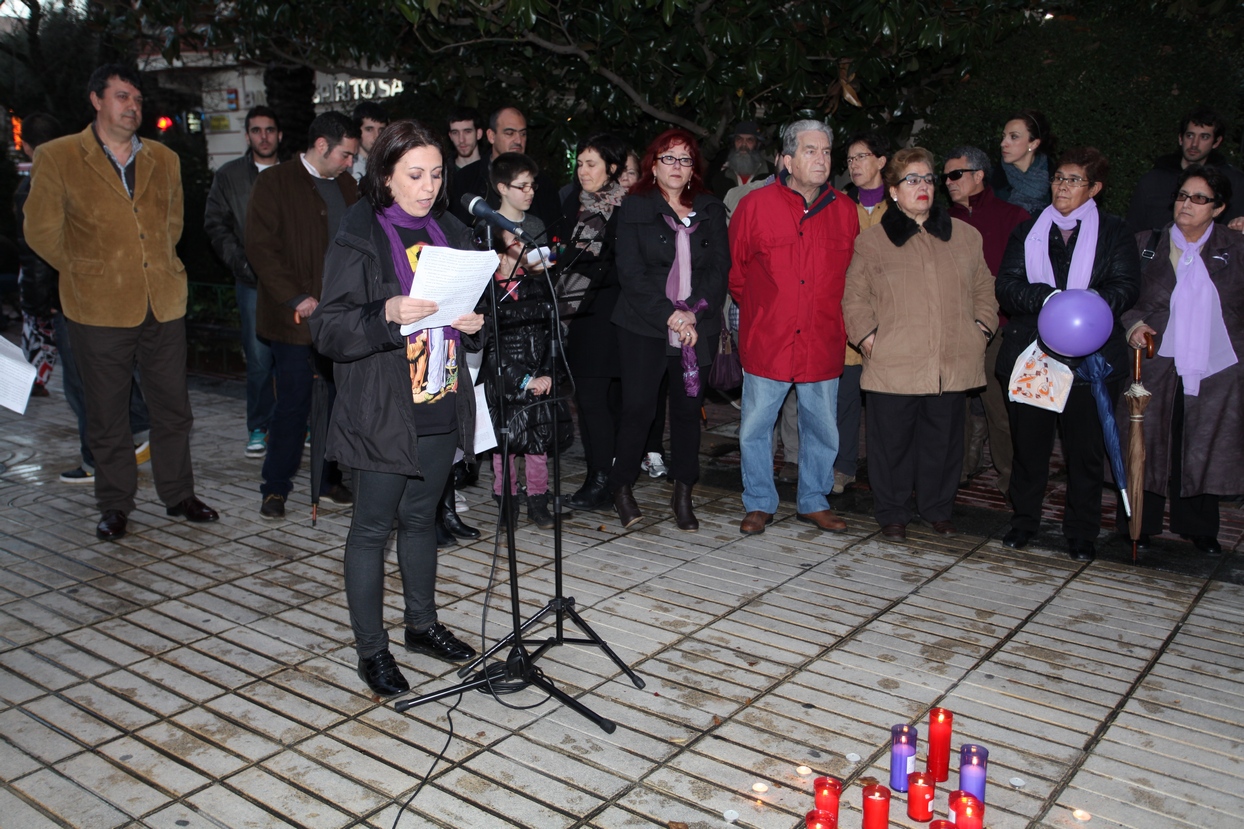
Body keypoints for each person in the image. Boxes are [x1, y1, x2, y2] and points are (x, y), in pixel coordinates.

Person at [310, 119, 485, 697]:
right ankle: (372, 651)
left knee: (420, 520)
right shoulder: (358, 233)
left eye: (436, 174)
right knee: (370, 531)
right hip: (383, 406)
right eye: (415, 174)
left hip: (438, 398)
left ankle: (421, 626)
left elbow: (468, 309)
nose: (428, 185)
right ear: (385, 175)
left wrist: (475, 324)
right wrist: (385, 315)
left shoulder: (451, 230)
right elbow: (330, 331)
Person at [23, 63, 218, 540]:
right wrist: (88, 267)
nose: (133, 107)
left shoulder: (163, 159)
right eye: (122, 97)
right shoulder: (59, 156)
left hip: (163, 302)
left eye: (137, 100)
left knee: (173, 409)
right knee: (107, 412)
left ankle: (178, 494)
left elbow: (172, 227)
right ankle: (115, 504)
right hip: (97, 305)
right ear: (96, 99)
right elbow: (40, 229)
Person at [843, 148, 998, 540]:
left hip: (950, 361)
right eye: (912, 180)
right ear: (894, 191)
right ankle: (893, 513)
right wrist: (869, 339)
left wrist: (980, 330)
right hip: (894, 363)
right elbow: (854, 299)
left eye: (928, 178)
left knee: (943, 444)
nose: (923, 186)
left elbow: (985, 289)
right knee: (891, 445)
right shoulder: (873, 242)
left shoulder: (965, 236)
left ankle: (937, 508)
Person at [995, 147, 1141, 561]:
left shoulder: (1114, 231)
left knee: (1085, 452)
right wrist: (1053, 300)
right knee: (1030, 449)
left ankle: (1081, 532)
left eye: (1074, 180)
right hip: (1035, 354)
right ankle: (1023, 522)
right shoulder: (1028, 230)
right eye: (1058, 177)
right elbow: (1006, 286)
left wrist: (1087, 303)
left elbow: (1127, 286)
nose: (1062, 186)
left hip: (1091, 360)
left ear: (1094, 188)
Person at [729, 119, 857, 536]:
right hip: (769, 339)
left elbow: (852, 277)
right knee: (755, 428)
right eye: (810, 151)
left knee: (822, 426)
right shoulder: (754, 206)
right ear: (787, 159)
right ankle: (760, 502)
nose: (821, 159)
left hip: (821, 338)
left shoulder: (844, 211)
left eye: (825, 152)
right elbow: (737, 275)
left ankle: (814, 500)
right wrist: (768, 313)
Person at [16, 111, 151, 483]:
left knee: (81, 384)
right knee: (111, 370)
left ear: (26, 145)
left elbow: (37, 254)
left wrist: (36, 304)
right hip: (105, 291)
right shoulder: (85, 173)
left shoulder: (36, 184)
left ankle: (97, 461)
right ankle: (139, 426)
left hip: (70, 298)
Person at [608, 128, 729, 531]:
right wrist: (670, 315)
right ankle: (622, 487)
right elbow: (631, 273)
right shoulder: (635, 206)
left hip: (698, 324)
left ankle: (683, 493)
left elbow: (718, 269)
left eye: (685, 159)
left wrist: (692, 312)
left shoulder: (710, 209)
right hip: (644, 324)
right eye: (668, 158)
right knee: (639, 409)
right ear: (653, 165)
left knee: (686, 411)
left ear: (694, 168)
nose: (677, 167)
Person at [1120, 165, 1242, 555]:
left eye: (1200, 199)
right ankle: (1142, 521)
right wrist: (1133, 324)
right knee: (1149, 439)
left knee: (1203, 438)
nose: (1187, 204)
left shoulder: (1236, 248)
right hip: (1154, 360)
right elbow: (1119, 296)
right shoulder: (1145, 243)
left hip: (1216, 366)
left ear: (1219, 208)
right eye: (1182, 196)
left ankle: (1199, 527)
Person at [246, 111, 360, 519]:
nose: (350, 163)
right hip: (293, 319)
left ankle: (327, 479)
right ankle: (275, 487)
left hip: (339, 319)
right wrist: (296, 297)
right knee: (293, 403)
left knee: (336, 402)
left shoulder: (349, 187)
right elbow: (261, 248)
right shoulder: (274, 182)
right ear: (322, 146)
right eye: (346, 154)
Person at [943, 145, 1031, 496]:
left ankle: (1013, 479)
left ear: (979, 175)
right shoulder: (941, 219)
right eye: (944, 176)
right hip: (951, 326)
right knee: (952, 408)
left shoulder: (1013, 217)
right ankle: (958, 470)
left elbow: (1026, 273)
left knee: (1000, 407)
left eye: (955, 174)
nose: (947, 182)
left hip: (998, 326)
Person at [204, 105, 281, 458]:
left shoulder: (295, 173)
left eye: (269, 130)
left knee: (301, 356)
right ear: (247, 135)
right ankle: (259, 426)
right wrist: (242, 263)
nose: (263, 136)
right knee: (259, 358)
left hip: (297, 282)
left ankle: (301, 422)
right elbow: (215, 224)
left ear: (279, 134)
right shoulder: (230, 176)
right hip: (252, 283)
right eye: (256, 130)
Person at [558, 132, 629, 512]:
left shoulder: (625, 208)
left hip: (608, 317)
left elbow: (624, 266)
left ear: (612, 168)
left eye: (591, 164)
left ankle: (603, 478)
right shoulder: (572, 201)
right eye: (580, 163)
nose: (582, 171)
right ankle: (604, 476)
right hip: (577, 316)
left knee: (598, 400)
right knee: (589, 401)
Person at [482, 229, 566, 530]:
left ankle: (538, 500)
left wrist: (545, 374)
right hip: (505, 382)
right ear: (501, 252)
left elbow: (551, 333)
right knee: (504, 448)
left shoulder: (536, 286)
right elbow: (490, 348)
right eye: (516, 242)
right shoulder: (487, 290)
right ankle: (506, 501)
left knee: (537, 444)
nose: (524, 245)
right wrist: (523, 380)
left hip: (537, 378)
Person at [835, 129, 893, 494]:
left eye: (862, 157)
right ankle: (842, 468)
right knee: (844, 400)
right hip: (849, 318)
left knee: (888, 406)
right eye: (851, 159)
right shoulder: (840, 204)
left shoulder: (901, 205)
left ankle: (888, 474)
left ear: (881, 161)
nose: (855, 165)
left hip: (892, 319)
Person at [1125, 107, 1244, 235]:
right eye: (1190, 135)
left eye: (1204, 137)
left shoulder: (1233, 181)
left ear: (1216, 142)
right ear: (1181, 139)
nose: (1194, 144)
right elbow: (1132, 229)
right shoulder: (1152, 180)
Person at [481, 106, 562, 229]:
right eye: (509, 133)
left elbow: (556, 231)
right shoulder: (466, 179)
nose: (518, 140)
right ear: (491, 136)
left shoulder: (544, 184)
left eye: (523, 134)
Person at [994, 109, 1056, 215]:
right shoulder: (992, 182)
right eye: (1004, 136)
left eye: (1014, 137)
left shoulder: (1056, 180)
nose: (1003, 143)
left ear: (1033, 144)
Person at [446, 106, 490, 225]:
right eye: (455, 132)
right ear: (450, 136)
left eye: (467, 131)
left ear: (479, 133)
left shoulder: (491, 172)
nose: (461, 139)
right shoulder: (442, 173)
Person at [710, 121, 771, 199]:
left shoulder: (771, 175)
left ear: (757, 144)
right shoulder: (720, 178)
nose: (743, 145)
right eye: (739, 139)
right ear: (734, 143)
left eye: (749, 140)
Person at [350, 101, 390, 182]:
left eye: (381, 130)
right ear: (357, 130)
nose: (376, 136)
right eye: (369, 129)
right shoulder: (347, 165)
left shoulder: (390, 163)